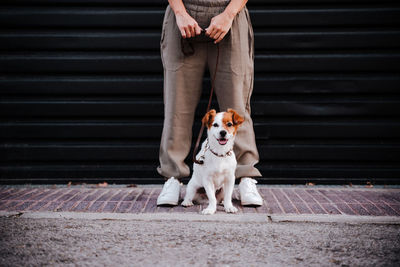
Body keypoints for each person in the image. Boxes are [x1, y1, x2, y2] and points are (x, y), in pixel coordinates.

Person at [156, 0, 263, 206]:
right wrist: (180, 12)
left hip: (231, 14)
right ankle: (173, 178)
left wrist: (229, 14)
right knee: (177, 107)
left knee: (238, 105)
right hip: (183, 14)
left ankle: (245, 177)